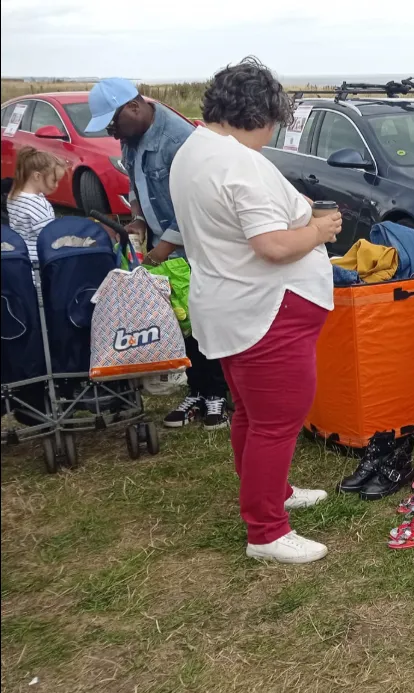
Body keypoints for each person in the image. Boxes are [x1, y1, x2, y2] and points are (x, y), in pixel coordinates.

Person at [168, 57, 340, 564]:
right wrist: (319, 232)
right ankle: (266, 531)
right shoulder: (236, 162)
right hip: (264, 310)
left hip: (230, 304)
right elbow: (270, 245)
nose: (272, 132)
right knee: (277, 420)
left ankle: (269, 492)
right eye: (273, 121)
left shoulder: (196, 149)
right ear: (257, 114)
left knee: (252, 412)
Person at [84, 77, 231, 431]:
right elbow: (137, 184)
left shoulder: (180, 141)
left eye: (113, 123)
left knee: (205, 315)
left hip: (197, 246)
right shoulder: (132, 138)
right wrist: (136, 219)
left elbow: (196, 200)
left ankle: (219, 394)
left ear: (134, 107)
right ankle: (197, 389)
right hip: (167, 250)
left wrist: (164, 246)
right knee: (183, 316)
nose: (113, 133)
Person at [6, 148, 64, 271]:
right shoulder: (37, 204)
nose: (56, 185)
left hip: (21, 260)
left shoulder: (14, 196)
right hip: (39, 266)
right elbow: (50, 238)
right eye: (54, 180)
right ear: (37, 176)